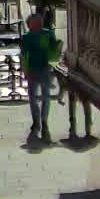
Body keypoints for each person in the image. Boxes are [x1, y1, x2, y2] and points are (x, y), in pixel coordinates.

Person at [19, 12, 62, 140]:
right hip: (33, 70)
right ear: (29, 24)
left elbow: (54, 49)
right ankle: (37, 121)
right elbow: (24, 55)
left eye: (39, 21)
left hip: (44, 69)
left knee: (45, 97)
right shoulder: (27, 37)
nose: (38, 23)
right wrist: (25, 70)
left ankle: (42, 121)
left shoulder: (48, 33)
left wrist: (58, 46)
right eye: (35, 22)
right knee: (34, 98)